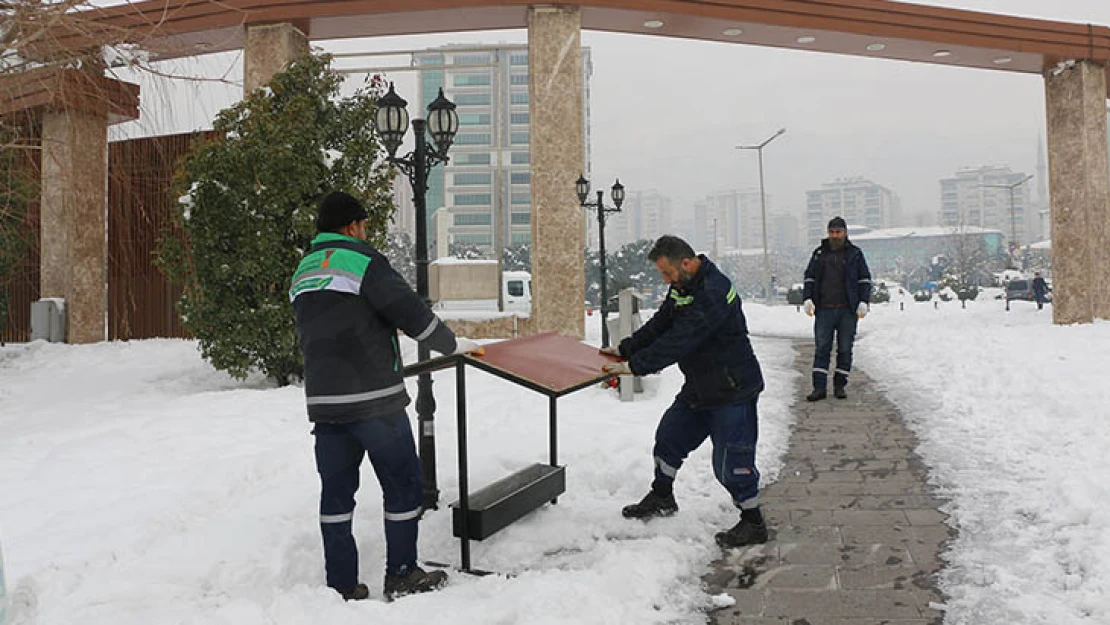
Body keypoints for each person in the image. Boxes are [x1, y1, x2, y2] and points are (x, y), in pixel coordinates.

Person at [289, 191, 481, 601]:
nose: (364, 232)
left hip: (324, 405)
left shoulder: (303, 269)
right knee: (402, 486)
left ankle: (341, 585)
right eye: (363, 225)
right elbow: (409, 311)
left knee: (336, 496)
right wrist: (453, 345)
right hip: (374, 401)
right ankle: (402, 573)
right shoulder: (363, 260)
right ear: (351, 227)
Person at [600, 235, 767, 548]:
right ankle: (662, 496)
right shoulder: (683, 287)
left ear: (687, 263)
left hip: (733, 389)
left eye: (668, 273)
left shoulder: (715, 291)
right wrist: (625, 349)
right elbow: (663, 323)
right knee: (669, 438)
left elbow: (681, 338)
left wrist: (636, 367)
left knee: (732, 464)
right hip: (701, 387)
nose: (666, 280)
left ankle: (753, 521)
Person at [801, 216, 872, 401]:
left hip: (848, 311)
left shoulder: (855, 254)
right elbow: (809, 277)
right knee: (822, 347)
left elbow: (864, 279)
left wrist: (864, 301)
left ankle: (840, 385)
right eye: (832, 232)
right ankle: (819, 388)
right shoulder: (819, 254)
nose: (835, 235)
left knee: (845, 348)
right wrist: (807, 298)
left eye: (838, 232)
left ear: (845, 232)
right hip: (824, 310)